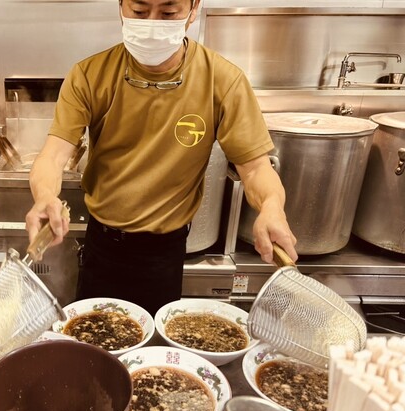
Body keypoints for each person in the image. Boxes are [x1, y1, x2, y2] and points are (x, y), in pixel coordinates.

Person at [25, 0, 297, 316]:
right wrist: (44, 195)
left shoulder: (223, 80)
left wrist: (272, 206)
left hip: (164, 252)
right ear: (120, 6)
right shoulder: (89, 75)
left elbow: (255, 168)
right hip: (103, 244)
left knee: (156, 344)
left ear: (193, 9)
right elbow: (53, 155)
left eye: (168, 13)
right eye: (139, 12)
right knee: (91, 342)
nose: (152, 24)